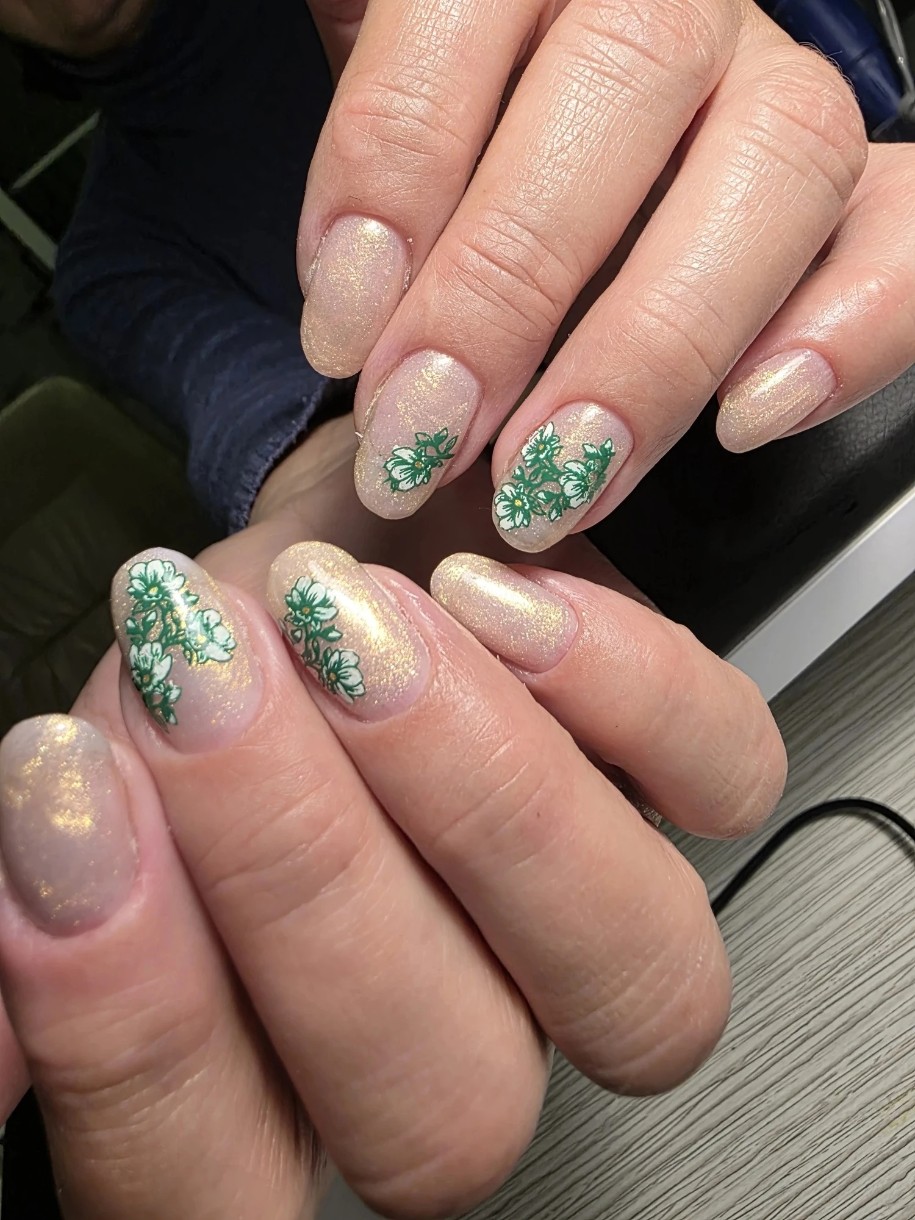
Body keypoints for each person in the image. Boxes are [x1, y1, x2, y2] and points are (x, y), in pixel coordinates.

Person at [0, 0, 911, 1214]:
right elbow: (319, 480)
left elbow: (843, 114)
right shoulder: (114, 259)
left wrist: (800, 135)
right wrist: (309, 589)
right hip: (659, 614)